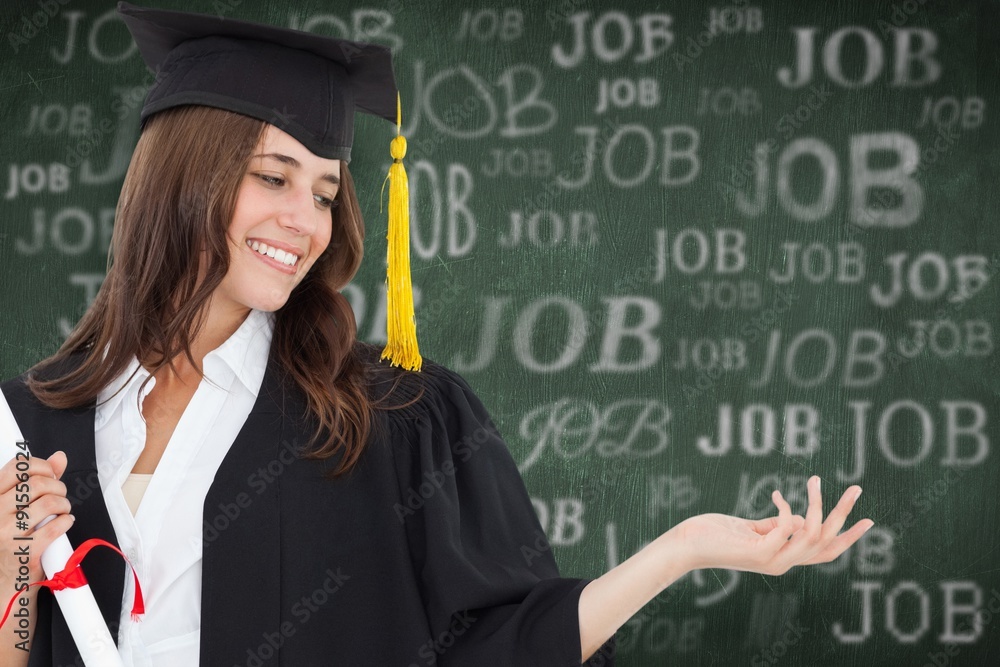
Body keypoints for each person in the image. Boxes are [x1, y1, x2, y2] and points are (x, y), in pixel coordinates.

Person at [0, 3, 875, 666]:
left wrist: (683, 549)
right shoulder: (33, 423)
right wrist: (11, 577)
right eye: (274, 176)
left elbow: (503, 643)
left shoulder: (388, 417)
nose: (303, 219)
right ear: (185, 175)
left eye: (325, 190)